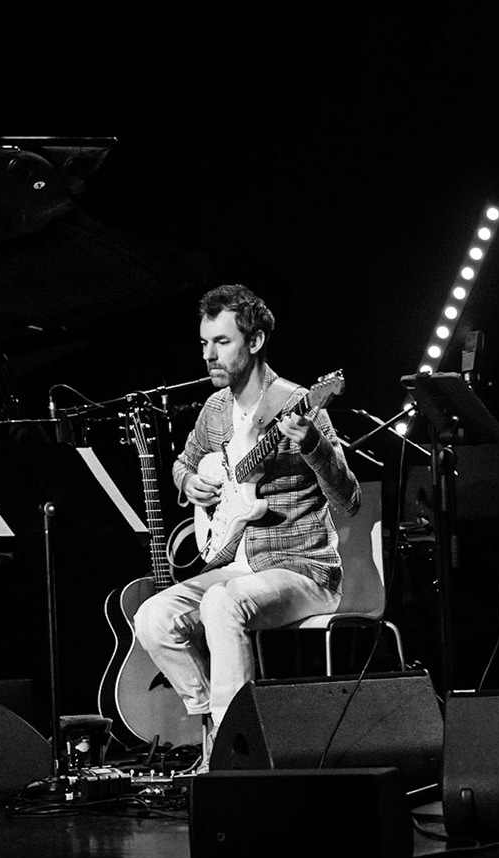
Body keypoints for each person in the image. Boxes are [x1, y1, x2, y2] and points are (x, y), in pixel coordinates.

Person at [132, 285, 360, 766]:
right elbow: (182, 463)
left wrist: (313, 445)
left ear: (254, 343)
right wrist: (191, 482)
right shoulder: (214, 411)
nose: (208, 355)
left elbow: (350, 498)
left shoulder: (299, 402)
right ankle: (216, 727)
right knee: (152, 618)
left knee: (220, 603)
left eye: (222, 342)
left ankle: (238, 759)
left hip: (303, 568)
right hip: (235, 565)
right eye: (203, 343)